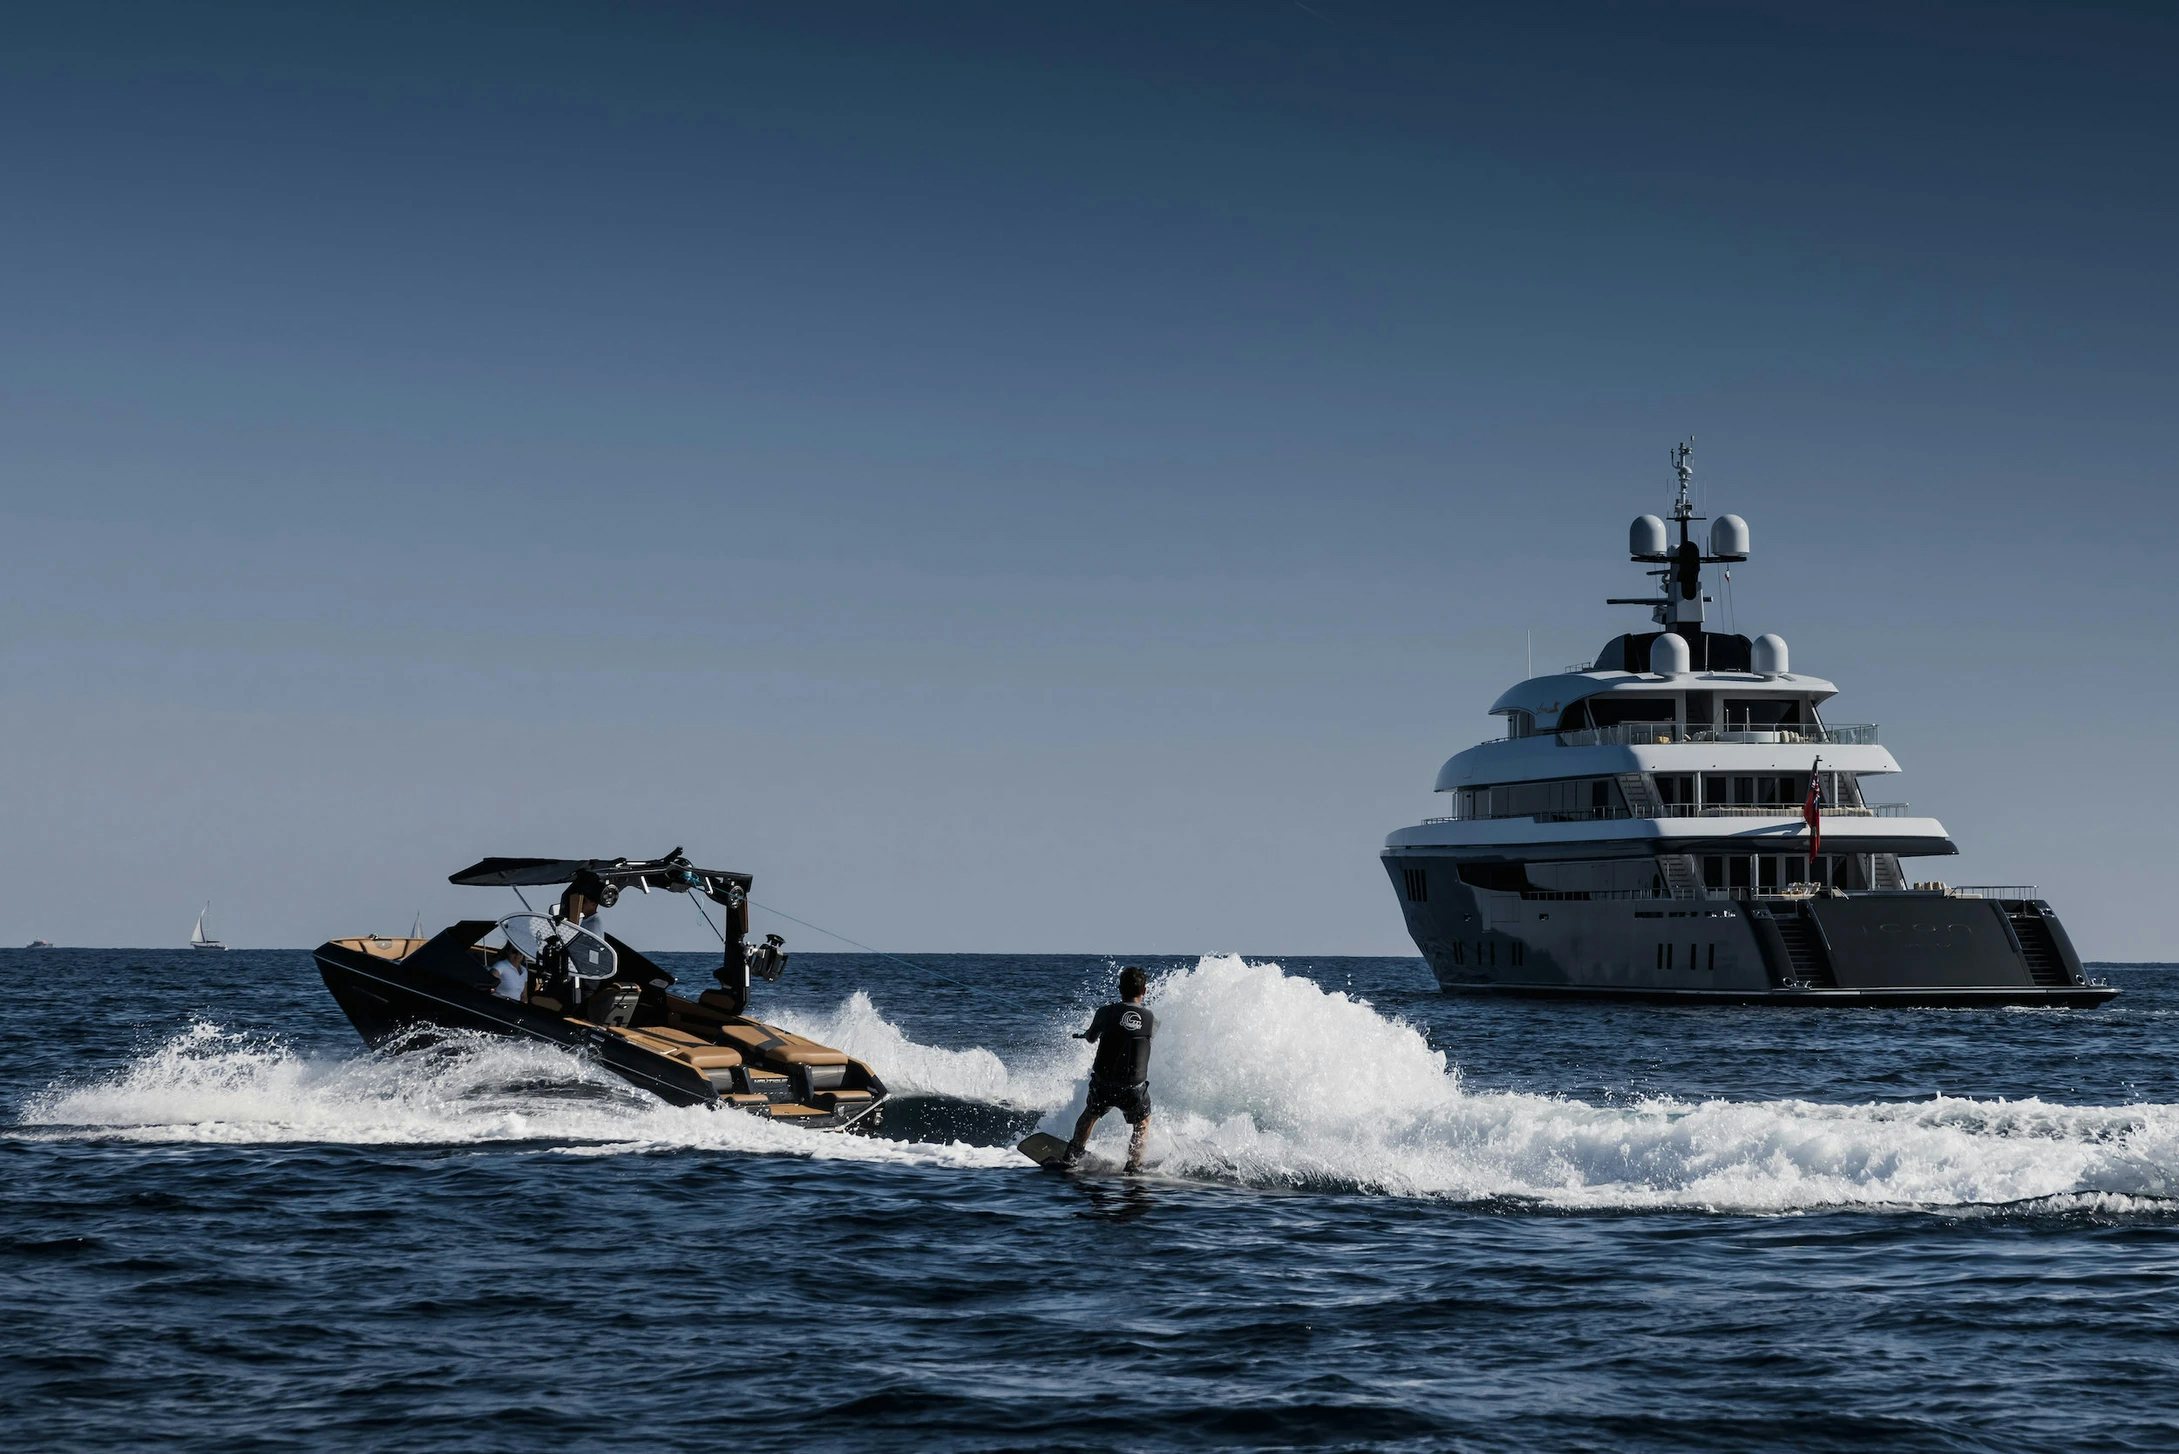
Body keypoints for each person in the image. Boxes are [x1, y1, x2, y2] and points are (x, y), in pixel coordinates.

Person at [1066, 965, 1155, 1173]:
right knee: (1142, 1123)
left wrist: (1090, 1034)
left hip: (1103, 1085)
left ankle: (1073, 1154)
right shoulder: (1152, 1020)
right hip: (1134, 1088)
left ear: (1119, 989)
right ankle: (1133, 1165)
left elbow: (1090, 1038)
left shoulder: (1105, 1012)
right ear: (1144, 991)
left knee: (1091, 1113)